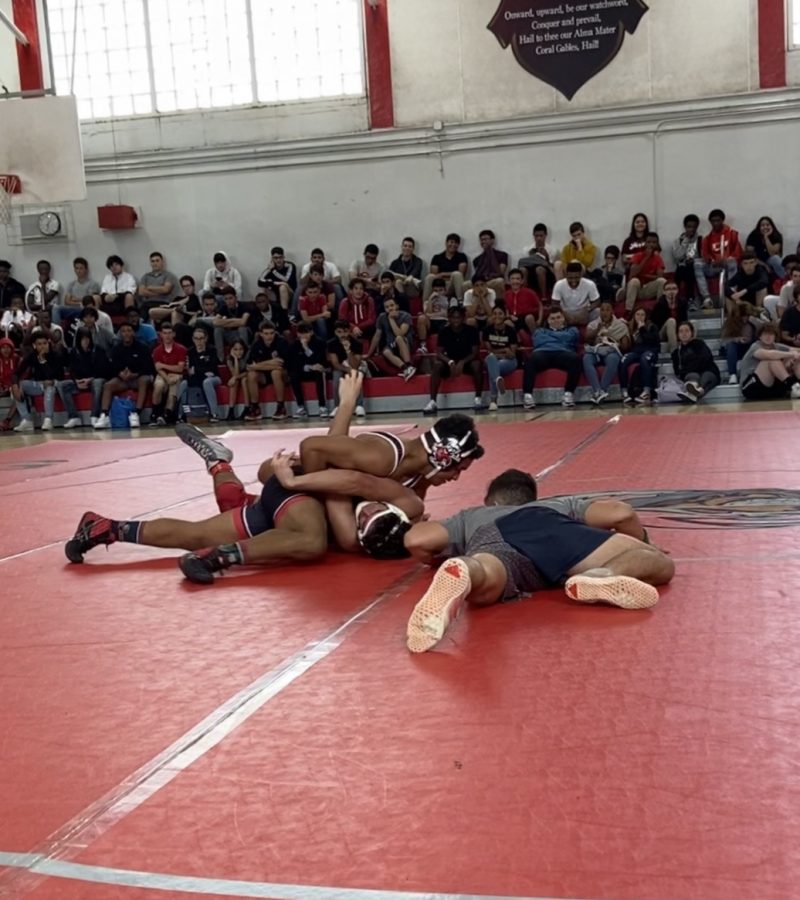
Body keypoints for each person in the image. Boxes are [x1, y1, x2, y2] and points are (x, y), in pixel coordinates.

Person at [403, 468, 674, 653]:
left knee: (487, 575)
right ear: (531, 497)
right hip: (551, 526)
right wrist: (641, 543)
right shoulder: (556, 504)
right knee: (656, 561)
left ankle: (466, 570)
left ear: (490, 500)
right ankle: (602, 575)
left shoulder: (473, 516)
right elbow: (621, 513)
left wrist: (433, 558)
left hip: (498, 536)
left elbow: (417, 540)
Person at [92, 322, 155, 429]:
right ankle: (105, 415)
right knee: (108, 386)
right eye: (123, 331)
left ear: (133, 333)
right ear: (120, 333)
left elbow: (148, 368)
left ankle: (136, 414)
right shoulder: (116, 349)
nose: (126, 333)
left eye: (129, 330)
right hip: (123, 379)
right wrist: (120, 374)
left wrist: (134, 374)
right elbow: (111, 367)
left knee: (144, 380)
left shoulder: (142, 348)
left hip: (137, 378)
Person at [423, 305, 482, 414]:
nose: (456, 320)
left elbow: (475, 352)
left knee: (477, 364)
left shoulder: (472, 331)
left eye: (458, 317)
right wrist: (449, 361)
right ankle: (432, 401)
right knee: (437, 365)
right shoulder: (444, 331)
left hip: (466, 362)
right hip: (449, 362)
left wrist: (462, 362)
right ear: (449, 318)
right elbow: (439, 352)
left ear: (463, 318)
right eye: (453, 318)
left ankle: (478, 399)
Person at [12, 331, 76, 432]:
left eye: (45, 343)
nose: (42, 346)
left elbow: (52, 376)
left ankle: (48, 419)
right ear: (35, 346)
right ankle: (26, 420)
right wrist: (15, 386)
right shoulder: (32, 356)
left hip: (55, 384)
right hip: (39, 384)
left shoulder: (56, 355)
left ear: (48, 343)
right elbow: (17, 373)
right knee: (19, 386)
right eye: (39, 344)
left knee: (49, 387)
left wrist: (42, 360)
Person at [522, 308, 581, 409]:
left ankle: (568, 394)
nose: (556, 320)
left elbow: (572, 338)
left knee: (575, 359)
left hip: (564, 353)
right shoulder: (540, 331)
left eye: (558, 317)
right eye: (552, 318)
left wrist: (551, 337)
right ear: (548, 321)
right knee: (530, 359)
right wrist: (561, 337)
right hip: (543, 353)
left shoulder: (572, 330)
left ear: (563, 319)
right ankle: (527, 395)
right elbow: (538, 341)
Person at [582, 299, 630, 404]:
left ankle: (602, 390)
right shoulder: (593, 324)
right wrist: (597, 331)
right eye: (602, 310)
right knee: (586, 358)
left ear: (612, 311)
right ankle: (597, 390)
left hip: (611, 351)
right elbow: (586, 339)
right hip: (596, 351)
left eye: (607, 310)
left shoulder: (620, 325)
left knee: (613, 358)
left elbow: (625, 347)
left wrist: (612, 338)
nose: (605, 312)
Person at [738, 322, 800, 401]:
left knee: (796, 358)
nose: (768, 337)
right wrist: (791, 354)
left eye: (771, 334)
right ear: (760, 336)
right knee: (771, 360)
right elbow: (769, 355)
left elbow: (795, 350)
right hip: (751, 387)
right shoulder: (755, 346)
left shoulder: (776, 346)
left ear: (775, 336)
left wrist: (795, 355)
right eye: (765, 334)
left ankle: (797, 387)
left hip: (771, 386)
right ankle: (793, 386)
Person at [694, 209, 741, 309]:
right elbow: (705, 255)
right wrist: (712, 261)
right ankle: (706, 298)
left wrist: (727, 259)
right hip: (714, 266)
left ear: (723, 220)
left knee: (732, 262)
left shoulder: (732, 234)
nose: (715, 223)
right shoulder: (707, 238)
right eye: (713, 221)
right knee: (697, 264)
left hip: (728, 265)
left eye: (718, 220)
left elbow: (737, 253)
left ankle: (732, 293)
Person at [61, 326, 108, 426]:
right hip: (80, 382)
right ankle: (73, 416)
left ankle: (95, 415)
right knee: (63, 385)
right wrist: (76, 382)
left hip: (93, 380)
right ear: (78, 339)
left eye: (87, 338)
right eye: (83, 339)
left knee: (98, 382)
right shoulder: (73, 352)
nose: (85, 341)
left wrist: (90, 379)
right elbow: (72, 370)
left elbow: (103, 370)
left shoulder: (98, 350)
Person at [244, 319, 290, 421]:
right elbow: (249, 366)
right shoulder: (256, 345)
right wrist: (269, 363)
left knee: (275, 372)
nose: (269, 336)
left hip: (283, 374)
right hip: (264, 375)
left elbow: (279, 364)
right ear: (261, 334)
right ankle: (255, 408)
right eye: (266, 333)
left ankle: (281, 407)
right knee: (251, 374)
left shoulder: (281, 342)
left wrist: (257, 366)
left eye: (271, 333)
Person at [177, 327, 222, 422]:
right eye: (196, 338)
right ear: (193, 339)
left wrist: (197, 370)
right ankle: (180, 415)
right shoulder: (190, 352)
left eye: (201, 338)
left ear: (206, 339)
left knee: (207, 382)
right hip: (197, 378)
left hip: (214, 377)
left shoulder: (212, 350)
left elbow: (212, 368)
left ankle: (214, 413)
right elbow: (191, 371)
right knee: (183, 384)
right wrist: (201, 371)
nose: (199, 341)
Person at [619, 307, 660, 405]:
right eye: (637, 314)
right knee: (623, 360)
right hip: (636, 351)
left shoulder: (651, 326)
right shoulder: (631, 327)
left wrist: (642, 329)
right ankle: (624, 391)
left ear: (646, 316)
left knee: (644, 360)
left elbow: (653, 341)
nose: (640, 317)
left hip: (650, 350)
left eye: (642, 315)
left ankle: (646, 391)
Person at [368, 297, 416, 380]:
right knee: (385, 351)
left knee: (398, 338)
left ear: (396, 306)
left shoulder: (406, 316)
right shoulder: (382, 317)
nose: (390, 308)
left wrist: (391, 319)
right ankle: (405, 368)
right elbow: (377, 336)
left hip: (405, 344)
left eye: (392, 305)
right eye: (387, 307)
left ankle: (409, 365)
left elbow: (400, 333)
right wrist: (369, 353)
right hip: (391, 345)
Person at [672, 321, 721, 403]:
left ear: (692, 333)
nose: (684, 334)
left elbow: (707, 359)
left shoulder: (699, 344)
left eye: (687, 331)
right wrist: (693, 366)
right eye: (681, 331)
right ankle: (695, 389)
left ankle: (696, 392)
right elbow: (678, 371)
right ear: (677, 334)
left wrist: (690, 366)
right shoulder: (676, 353)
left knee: (706, 375)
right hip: (691, 375)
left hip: (708, 371)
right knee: (693, 376)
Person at [149, 323, 187, 426]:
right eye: (165, 333)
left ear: (174, 334)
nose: (167, 336)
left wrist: (163, 365)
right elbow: (158, 368)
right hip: (163, 375)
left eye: (169, 333)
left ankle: (166, 414)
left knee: (174, 387)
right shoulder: (157, 351)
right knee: (158, 385)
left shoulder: (181, 349)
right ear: (160, 334)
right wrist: (166, 377)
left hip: (177, 374)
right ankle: (155, 414)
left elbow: (180, 368)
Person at [482, 304, 518, 411]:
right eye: (494, 314)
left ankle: (493, 401)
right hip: (494, 359)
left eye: (500, 314)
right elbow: (490, 351)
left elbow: (512, 354)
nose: (497, 316)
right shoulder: (487, 330)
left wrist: (500, 353)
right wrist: (504, 350)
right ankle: (497, 379)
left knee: (492, 366)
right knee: (490, 359)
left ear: (505, 315)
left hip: (509, 362)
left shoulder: (511, 331)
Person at [288, 323, 328, 417]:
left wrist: (306, 348)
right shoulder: (294, 345)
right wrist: (310, 366)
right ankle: (300, 407)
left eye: (306, 333)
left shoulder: (320, 343)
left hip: (317, 370)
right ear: (298, 334)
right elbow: (294, 363)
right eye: (301, 333)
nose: (304, 336)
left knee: (319, 372)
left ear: (311, 332)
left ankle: (322, 406)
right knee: (293, 374)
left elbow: (320, 360)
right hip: (303, 370)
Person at [327, 319, 367, 416]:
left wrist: (348, 350)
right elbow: (335, 363)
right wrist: (346, 369)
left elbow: (355, 365)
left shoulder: (357, 343)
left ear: (349, 331)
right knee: (336, 375)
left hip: (357, 366)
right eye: (339, 332)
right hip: (341, 367)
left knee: (356, 373)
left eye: (345, 331)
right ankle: (337, 406)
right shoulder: (331, 344)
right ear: (335, 332)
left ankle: (359, 406)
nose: (343, 335)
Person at [624, 232, 667, 314]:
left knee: (662, 281)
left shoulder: (658, 258)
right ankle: (628, 311)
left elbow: (660, 276)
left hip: (649, 289)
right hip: (637, 288)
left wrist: (643, 275)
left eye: (654, 242)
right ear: (645, 243)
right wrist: (646, 258)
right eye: (649, 242)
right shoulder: (638, 255)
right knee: (634, 281)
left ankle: (659, 310)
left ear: (657, 244)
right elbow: (632, 274)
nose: (651, 245)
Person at [518, 223, 559, 301]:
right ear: (533, 236)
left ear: (545, 235)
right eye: (536, 236)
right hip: (530, 272)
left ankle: (544, 297)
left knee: (539, 269)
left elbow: (552, 269)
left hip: (546, 273)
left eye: (541, 236)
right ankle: (524, 296)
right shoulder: (527, 249)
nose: (539, 238)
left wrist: (546, 257)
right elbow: (523, 263)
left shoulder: (552, 250)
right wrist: (531, 256)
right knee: (522, 270)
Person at [550, 261, 599, 326]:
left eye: (576, 278)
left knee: (598, 312)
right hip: (565, 313)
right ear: (566, 275)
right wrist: (565, 314)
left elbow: (597, 301)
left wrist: (587, 310)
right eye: (570, 278)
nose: (573, 281)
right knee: (554, 316)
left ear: (581, 275)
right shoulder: (559, 285)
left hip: (584, 312)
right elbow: (554, 304)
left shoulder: (590, 284)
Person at [424, 233, 468, 303]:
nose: (453, 245)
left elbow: (461, 273)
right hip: (439, 285)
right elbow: (435, 275)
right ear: (446, 243)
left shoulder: (462, 257)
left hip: (452, 285)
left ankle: (460, 302)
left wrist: (443, 274)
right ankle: (426, 303)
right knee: (430, 276)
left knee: (457, 274)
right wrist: (445, 275)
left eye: (456, 243)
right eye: (451, 242)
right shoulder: (437, 257)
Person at [56, 257, 100, 326]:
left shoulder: (93, 284)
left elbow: (90, 302)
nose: (79, 271)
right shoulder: (71, 284)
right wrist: (81, 301)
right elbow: (67, 302)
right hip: (72, 310)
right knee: (56, 308)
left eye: (81, 268)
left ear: (86, 269)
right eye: (77, 268)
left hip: (85, 311)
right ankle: (57, 330)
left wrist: (75, 299)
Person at [724, 252, 770, 317]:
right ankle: (731, 316)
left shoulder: (760, 270)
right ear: (742, 264)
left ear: (756, 262)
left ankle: (759, 313)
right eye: (745, 263)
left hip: (756, 302)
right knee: (729, 293)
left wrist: (744, 291)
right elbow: (726, 286)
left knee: (762, 288)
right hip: (742, 301)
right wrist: (733, 296)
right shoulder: (740, 273)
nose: (749, 266)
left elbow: (764, 282)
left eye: (751, 262)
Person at [257, 246, 297, 317]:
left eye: (280, 257)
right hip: (276, 294)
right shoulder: (270, 268)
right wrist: (275, 282)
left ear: (284, 257)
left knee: (283, 287)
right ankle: (265, 313)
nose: (278, 260)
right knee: (264, 288)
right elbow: (260, 281)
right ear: (272, 259)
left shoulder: (290, 265)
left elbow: (286, 280)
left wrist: (273, 271)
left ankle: (284, 314)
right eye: (275, 258)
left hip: (290, 292)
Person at [672, 214, 702, 309]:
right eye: (689, 227)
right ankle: (677, 300)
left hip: (696, 266)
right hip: (683, 267)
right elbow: (677, 256)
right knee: (682, 269)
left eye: (694, 227)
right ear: (685, 227)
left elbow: (704, 256)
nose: (691, 229)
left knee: (690, 269)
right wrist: (686, 242)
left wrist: (694, 260)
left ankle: (691, 300)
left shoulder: (701, 240)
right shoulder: (679, 241)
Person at [137, 251, 178, 319]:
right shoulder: (145, 276)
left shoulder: (168, 275)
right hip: (147, 303)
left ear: (162, 262)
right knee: (140, 310)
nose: (155, 263)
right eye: (152, 261)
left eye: (157, 261)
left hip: (163, 303)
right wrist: (159, 292)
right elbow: (141, 292)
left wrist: (150, 288)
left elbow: (166, 290)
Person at [503, 268, 541, 334]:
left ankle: (536, 338)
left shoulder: (529, 292)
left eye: (518, 279)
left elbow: (540, 305)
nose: (515, 281)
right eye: (512, 279)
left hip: (526, 318)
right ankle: (516, 340)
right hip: (514, 318)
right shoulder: (506, 294)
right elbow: (506, 308)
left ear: (522, 281)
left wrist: (539, 320)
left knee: (529, 318)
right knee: (506, 322)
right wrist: (509, 316)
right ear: (509, 281)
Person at [650, 281, 687, 352]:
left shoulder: (682, 302)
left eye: (674, 289)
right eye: (668, 289)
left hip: (678, 332)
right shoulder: (659, 304)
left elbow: (684, 320)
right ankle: (674, 351)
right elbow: (655, 324)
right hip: (662, 333)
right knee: (671, 321)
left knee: (693, 323)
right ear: (664, 292)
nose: (671, 291)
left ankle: (689, 349)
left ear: (677, 290)